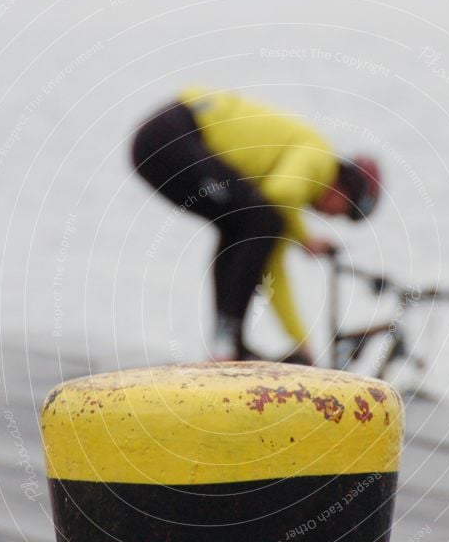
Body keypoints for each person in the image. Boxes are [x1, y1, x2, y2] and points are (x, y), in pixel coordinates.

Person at [131, 86, 381, 363]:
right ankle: (226, 347)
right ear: (343, 190)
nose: (333, 219)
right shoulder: (318, 157)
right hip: (169, 134)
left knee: (243, 227)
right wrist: (304, 238)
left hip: (171, 139)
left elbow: (272, 273)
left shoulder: (282, 209)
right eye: (344, 213)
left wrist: (302, 344)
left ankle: (227, 347)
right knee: (260, 219)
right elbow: (280, 193)